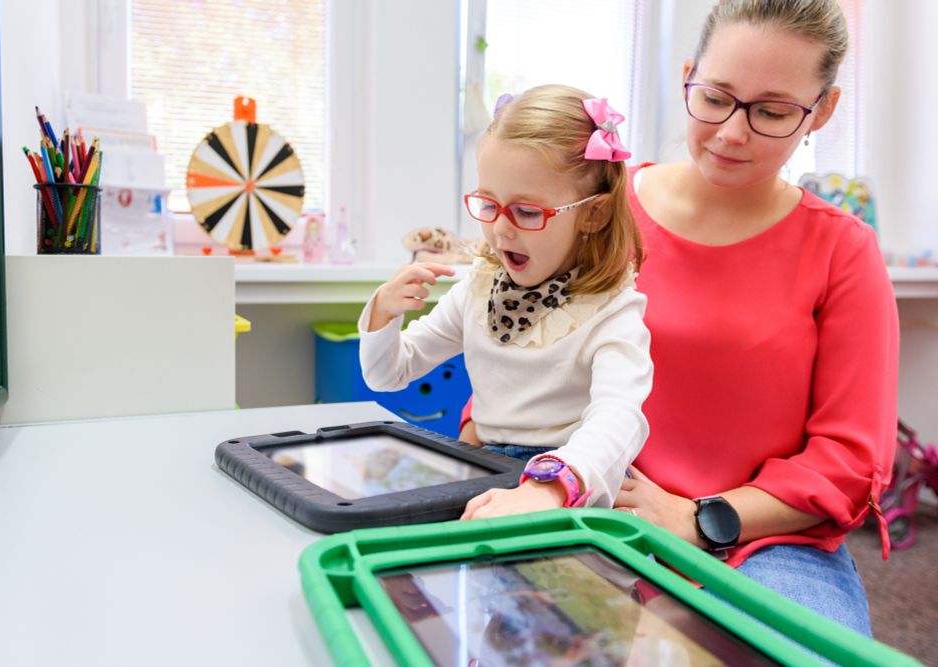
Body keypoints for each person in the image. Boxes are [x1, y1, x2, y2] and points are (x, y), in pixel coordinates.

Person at [460, 0, 898, 637]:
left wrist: (700, 517)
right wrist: (481, 454)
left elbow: (849, 459)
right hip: (576, 499)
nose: (730, 133)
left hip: (763, 541)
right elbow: (518, 338)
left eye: (772, 112)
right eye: (716, 97)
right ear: (689, 76)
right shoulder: (600, 208)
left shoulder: (841, 250)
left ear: (821, 111)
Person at [358, 85, 653, 519]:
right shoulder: (478, 290)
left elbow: (618, 419)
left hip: (573, 481)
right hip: (487, 469)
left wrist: (551, 487)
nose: (500, 230)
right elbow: (389, 375)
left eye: (528, 213)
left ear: (594, 214)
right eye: (488, 204)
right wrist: (384, 312)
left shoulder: (612, 311)